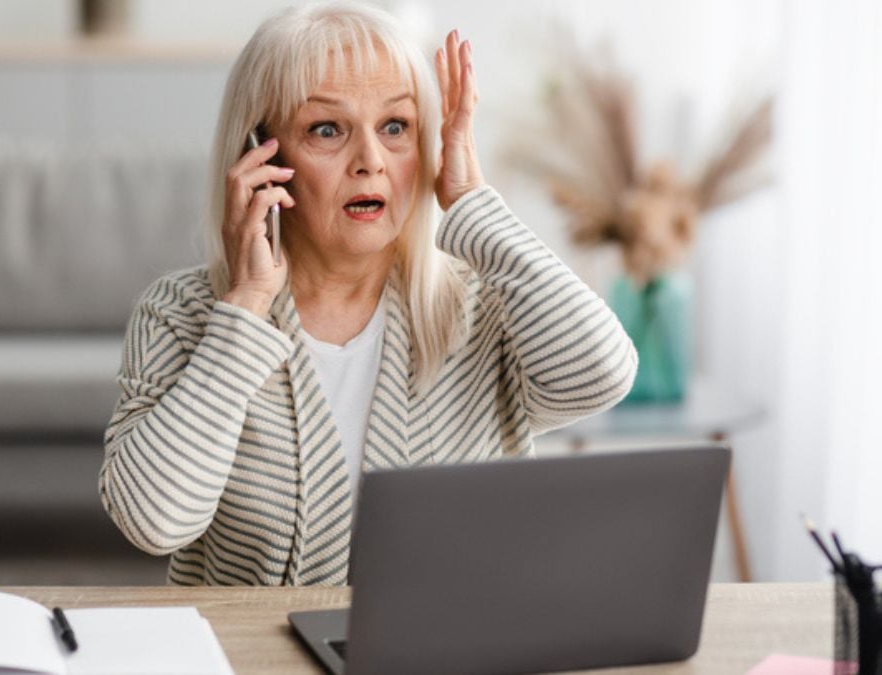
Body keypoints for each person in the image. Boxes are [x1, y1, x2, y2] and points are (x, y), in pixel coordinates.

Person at [99, 0, 638, 586]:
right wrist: (247, 305)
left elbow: (601, 376)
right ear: (260, 156)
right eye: (326, 129)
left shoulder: (482, 305)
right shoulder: (181, 314)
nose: (371, 162)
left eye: (396, 128)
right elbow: (153, 521)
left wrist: (472, 203)